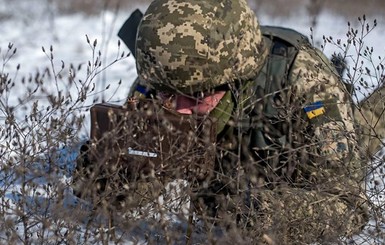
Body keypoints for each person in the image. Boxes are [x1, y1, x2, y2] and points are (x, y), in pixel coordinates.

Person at [129, 0, 370, 243]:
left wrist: (271, 213)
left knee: (367, 124)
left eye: (197, 95)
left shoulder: (306, 80)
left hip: (304, 161)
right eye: (168, 95)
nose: (180, 111)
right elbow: (138, 183)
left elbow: (350, 206)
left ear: (235, 82)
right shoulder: (168, 71)